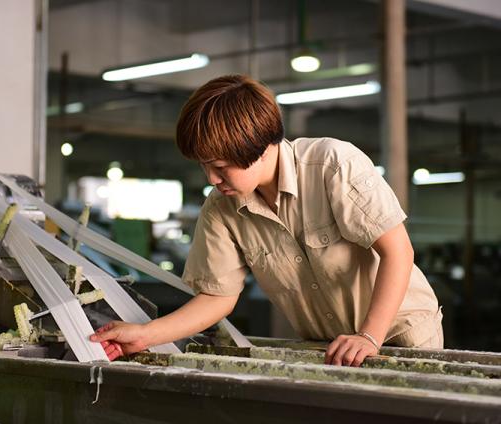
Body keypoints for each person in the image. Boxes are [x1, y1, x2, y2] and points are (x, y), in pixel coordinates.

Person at [90, 74, 443, 367]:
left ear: (257, 147)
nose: (211, 178)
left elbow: (397, 251)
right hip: (331, 347)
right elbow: (217, 298)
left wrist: (368, 336)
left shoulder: (333, 166)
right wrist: (144, 334)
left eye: (220, 166)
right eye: (204, 166)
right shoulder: (221, 208)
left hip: (400, 334)